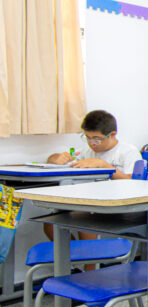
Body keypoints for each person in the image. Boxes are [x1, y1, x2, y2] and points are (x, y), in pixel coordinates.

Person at [45, 110, 142, 262]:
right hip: (89, 201)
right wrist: (56, 158)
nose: (92, 144)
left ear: (112, 134)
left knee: (85, 220)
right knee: (51, 224)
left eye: (96, 139)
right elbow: (53, 159)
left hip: (118, 204)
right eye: (87, 138)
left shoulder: (128, 152)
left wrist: (104, 166)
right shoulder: (86, 151)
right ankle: (76, 261)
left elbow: (134, 182)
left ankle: (89, 269)